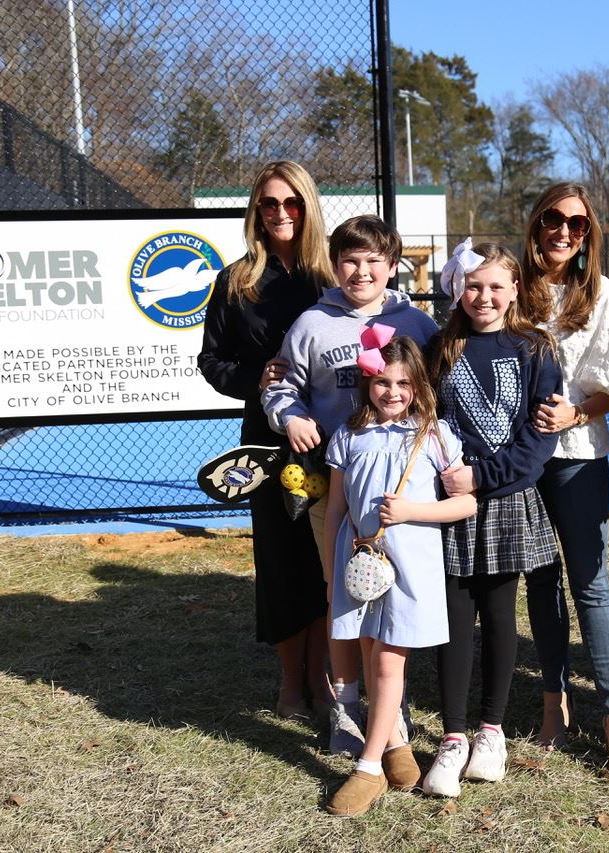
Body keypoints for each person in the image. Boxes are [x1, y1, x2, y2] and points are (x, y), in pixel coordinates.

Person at [262, 215, 439, 755]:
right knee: (342, 596)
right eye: (350, 260)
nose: (361, 271)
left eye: (373, 261)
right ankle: (346, 705)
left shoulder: (418, 324)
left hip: (404, 496)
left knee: (397, 603)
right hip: (337, 486)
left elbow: (440, 396)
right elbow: (282, 386)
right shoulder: (312, 322)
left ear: (392, 265)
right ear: (335, 263)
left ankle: (394, 709)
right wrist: (288, 416)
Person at [420, 242, 563, 798]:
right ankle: (452, 737)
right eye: (474, 285)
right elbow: (423, 420)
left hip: (502, 500)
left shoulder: (535, 348)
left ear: (516, 291)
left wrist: (482, 477)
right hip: (450, 502)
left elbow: (537, 437)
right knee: (454, 615)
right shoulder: (439, 347)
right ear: (459, 287)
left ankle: (491, 732)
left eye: (496, 286)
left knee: (500, 613)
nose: (484, 296)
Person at [518, 183, 609, 784]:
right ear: (535, 224)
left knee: (591, 588)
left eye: (576, 222)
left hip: (575, 457)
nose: (563, 231)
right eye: (552, 218)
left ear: (590, 233)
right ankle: (555, 704)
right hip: (518, 464)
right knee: (540, 585)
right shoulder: (510, 289)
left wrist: (578, 411)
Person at [197, 160, 335, 720]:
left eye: (292, 203)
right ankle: (290, 685)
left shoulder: (332, 278)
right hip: (265, 441)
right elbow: (212, 361)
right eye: (270, 204)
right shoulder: (235, 281)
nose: (281, 213)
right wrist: (253, 379)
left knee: (327, 562)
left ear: (308, 208)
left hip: (333, 441)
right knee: (280, 561)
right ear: (256, 211)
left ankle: (327, 680)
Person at [322, 335, 476, 816]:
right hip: (359, 565)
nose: (392, 392)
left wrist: (413, 510)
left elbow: (466, 503)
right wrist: (331, 572)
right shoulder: (348, 435)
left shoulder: (434, 435)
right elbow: (335, 510)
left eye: (403, 383)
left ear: (418, 386)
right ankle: (395, 743)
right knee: (370, 650)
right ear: (368, 382)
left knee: (389, 660)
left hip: (410, 565)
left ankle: (367, 769)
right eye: (382, 382)